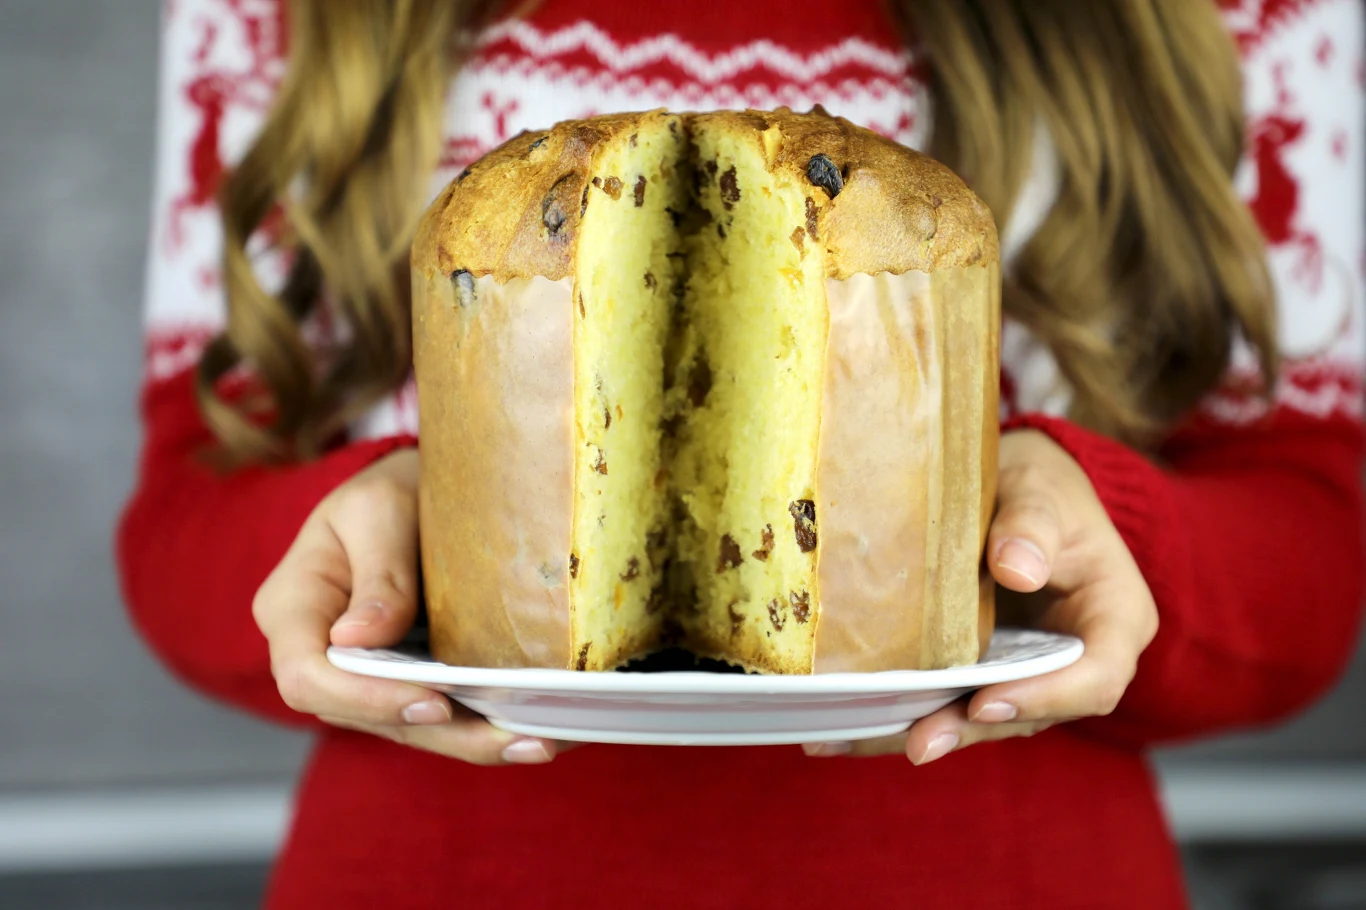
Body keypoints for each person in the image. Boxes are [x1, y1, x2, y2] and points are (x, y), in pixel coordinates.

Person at [118, 0, 1365, 906]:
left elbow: (1313, 551)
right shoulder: (283, 22)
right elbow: (186, 509)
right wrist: (391, 522)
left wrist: (1102, 528)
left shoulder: (1230, 22)